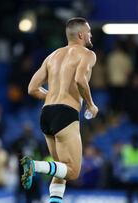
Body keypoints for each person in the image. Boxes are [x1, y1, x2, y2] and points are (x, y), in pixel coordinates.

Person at [21, 17, 98, 203]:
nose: (91, 35)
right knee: (73, 171)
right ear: (81, 35)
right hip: (66, 113)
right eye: (88, 31)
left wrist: (52, 96)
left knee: (60, 169)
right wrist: (90, 104)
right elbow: (80, 79)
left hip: (46, 114)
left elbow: (32, 88)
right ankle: (35, 165)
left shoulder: (52, 56)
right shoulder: (87, 54)